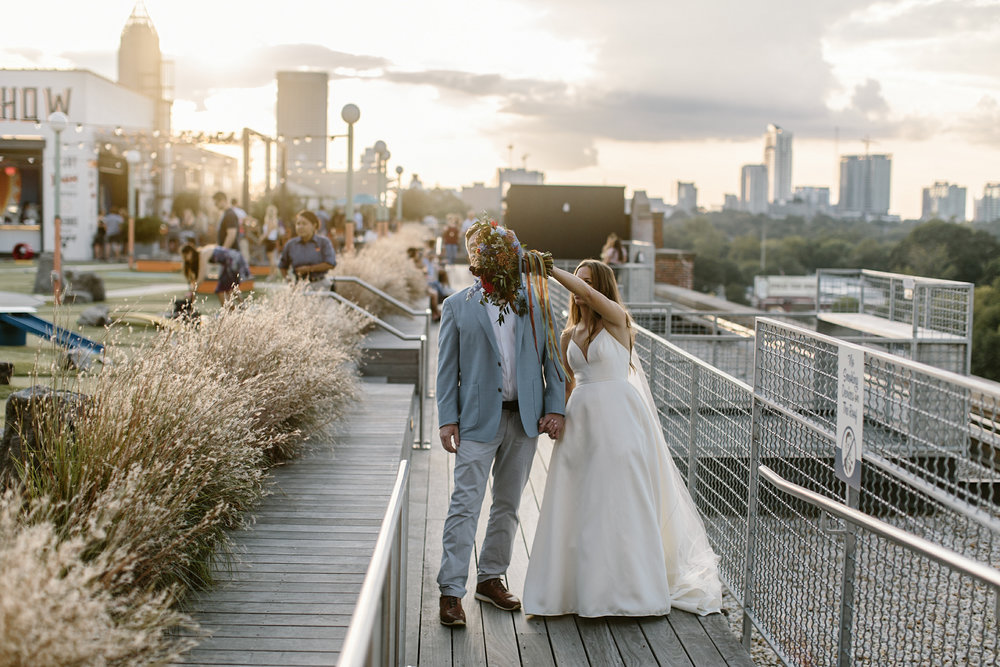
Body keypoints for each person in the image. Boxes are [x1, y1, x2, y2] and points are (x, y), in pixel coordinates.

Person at [522, 259, 722, 618]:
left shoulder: (618, 321)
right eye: (578, 281)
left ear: (600, 286)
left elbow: (585, 294)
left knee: (620, 501)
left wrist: (546, 268)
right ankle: (577, 591)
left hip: (619, 418)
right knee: (578, 502)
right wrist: (557, 417)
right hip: (581, 424)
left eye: (587, 283)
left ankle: (630, 591)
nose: (579, 290)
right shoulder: (568, 335)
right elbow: (568, 384)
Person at [435, 224, 566, 627]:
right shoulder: (458, 305)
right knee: (465, 506)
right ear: (474, 257)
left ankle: (490, 578)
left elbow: (553, 363)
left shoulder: (536, 304)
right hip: (476, 420)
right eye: (480, 249)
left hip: (525, 419)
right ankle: (451, 593)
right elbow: (446, 370)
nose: (490, 256)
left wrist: (556, 408)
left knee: (508, 505)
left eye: (497, 249)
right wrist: (447, 419)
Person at [180, 241, 251, 305]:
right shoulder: (203, 251)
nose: (186, 259)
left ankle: (228, 313)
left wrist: (192, 290)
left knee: (220, 291)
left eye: (186, 256)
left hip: (232, 261)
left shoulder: (202, 255)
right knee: (231, 288)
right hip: (235, 258)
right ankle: (243, 307)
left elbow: (201, 276)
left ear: (190, 252)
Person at [278, 210, 337, 286]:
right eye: (298, 224)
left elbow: (331, 263)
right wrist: (290, 283)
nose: (300, 227)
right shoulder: (291, 244)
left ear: (314, 225)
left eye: (304, 224)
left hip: (320, 284)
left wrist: (308, 269)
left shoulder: (324, 242)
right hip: (299, 285)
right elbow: (282, 266)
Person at [261, 204, 281, 278]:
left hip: (270, 241)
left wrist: (261, 239)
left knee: (271, 259)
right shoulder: (275, 220)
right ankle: (274, 273)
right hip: (273, 240)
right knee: (273, 258)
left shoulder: (270, 221)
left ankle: (271, 274)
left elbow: (267, 232)